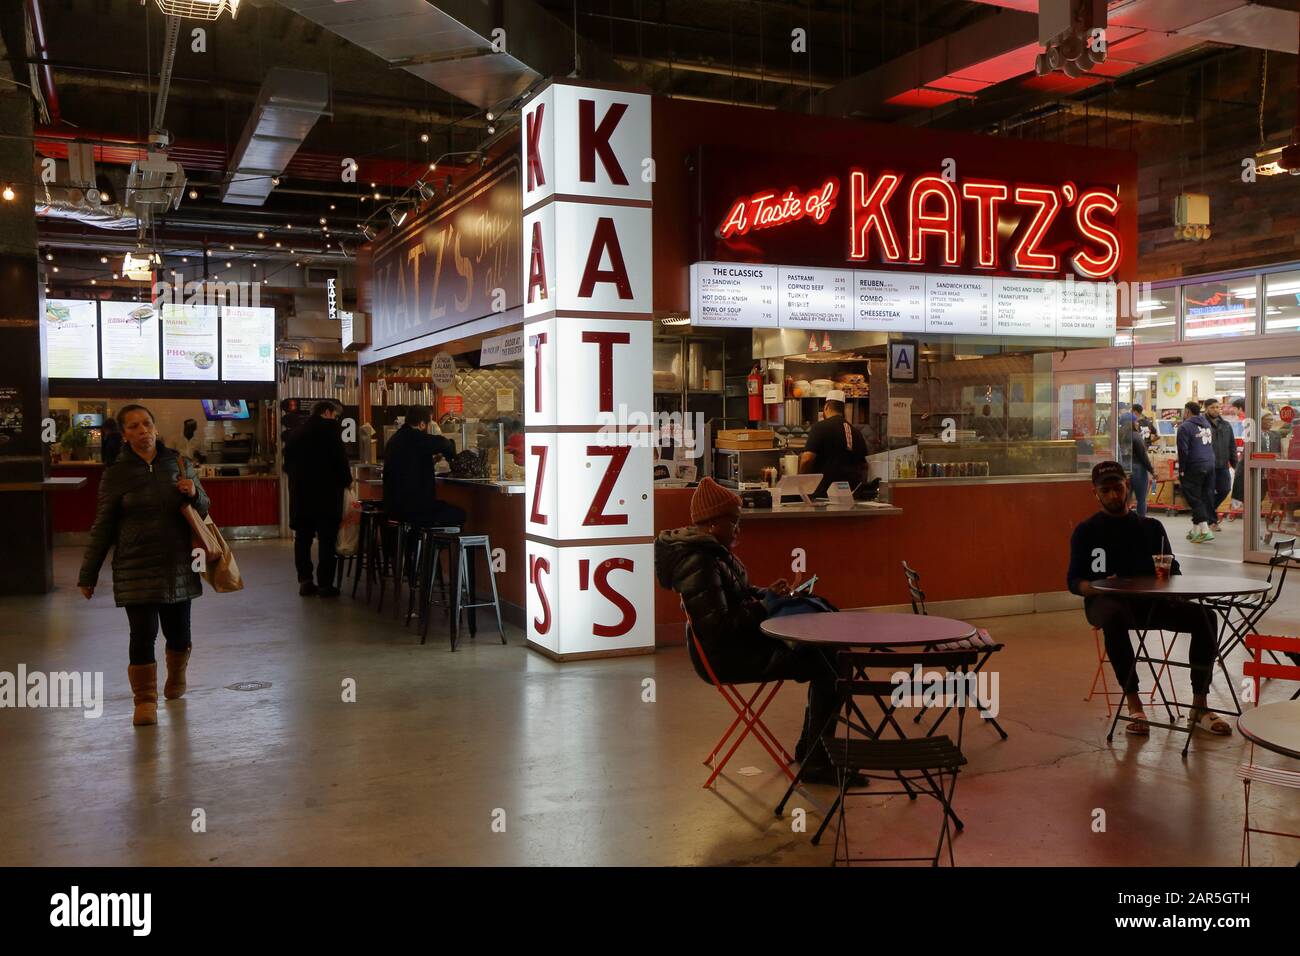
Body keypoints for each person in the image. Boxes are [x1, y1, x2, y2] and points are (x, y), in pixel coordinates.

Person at [654, 477, 844, 781]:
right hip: (727, 657)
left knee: (827, 656)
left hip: (737, 646)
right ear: (714, 523)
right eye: (734, 522)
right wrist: (766, 605)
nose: (738, 529)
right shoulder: (699, 563)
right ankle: (816, 759)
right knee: (829, 663)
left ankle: (813, 752)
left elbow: (734, 596)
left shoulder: (711, 553)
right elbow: (719, 627)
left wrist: (764, 593)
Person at [1068, 461, 1229, 736]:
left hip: (1151, 603)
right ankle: (1134, 703)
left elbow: (1174, 570)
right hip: (1105, 603)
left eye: (1117, 488)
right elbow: (1074, 581)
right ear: (1095, 493)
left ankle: (1199, 705)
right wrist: (1096, 588)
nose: (1113, 495)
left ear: (1127, 486)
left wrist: (1168, 581)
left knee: (1206, 616)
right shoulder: (1087, 531)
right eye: (1105, 491)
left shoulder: (1151, 527)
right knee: (1114, 617)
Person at [77, 404, 209, 728]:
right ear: (124, 435)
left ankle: (176, 676)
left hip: (178, 562)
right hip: (134, 565)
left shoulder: (177, 463)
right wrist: (88, 573)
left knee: (179, 633)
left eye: (146, 424)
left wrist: (193, 493)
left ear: (155, 428)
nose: (142, 431)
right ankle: (145, 701)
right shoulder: (116, 474)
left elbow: (204, 508)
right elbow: (103, 526)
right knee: (143, 633)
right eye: (134, 426)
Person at [283, 400, 353, 597]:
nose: (336, 419)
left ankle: (305, 580)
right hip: (327, 496)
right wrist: (347, 481)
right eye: (336, 415)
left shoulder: (296, 433)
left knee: (303, 538)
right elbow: (341, 462)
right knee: (327, 540)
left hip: (301, 496)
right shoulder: (331, 432)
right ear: (328, 412)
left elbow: (286, 465)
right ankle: (325, 584)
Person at [382, 407, 464, 527]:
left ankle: (427, 544)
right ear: (421, 424)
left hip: (393, 508)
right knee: (460, 515)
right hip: (416, 509)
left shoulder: (394, 440)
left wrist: (433, 460)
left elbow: (410, 463)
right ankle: (434, 544)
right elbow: (444, 444)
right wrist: (452, 455)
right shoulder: (417, 438)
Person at [798, 389, 868, 498]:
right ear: (843, 409)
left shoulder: (820, 427)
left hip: (822, 495)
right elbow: (864, 466)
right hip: (849, 496)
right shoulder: (856, 432)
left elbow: (807, 459)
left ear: (826, 407)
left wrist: (801, 481)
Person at [1176, 401, 1217, 543]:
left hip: (1194, 466)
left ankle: (1205, 530)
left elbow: (1183, 450)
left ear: (1187, 411)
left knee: (1193, 498)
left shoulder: (1185, 427)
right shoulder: (1206, 424)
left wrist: (1181, 469)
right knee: (1201, 497)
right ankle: (1195, 531)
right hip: (1210, 464)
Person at [1203, 398, 1237, 532]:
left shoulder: (1226, 425)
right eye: (1212, 407)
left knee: (1225, 489)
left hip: (1223, 464)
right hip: (1207, 465)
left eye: (1218, 407)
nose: (1216, 410)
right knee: (1208, 493)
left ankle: (1205, 512)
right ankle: (1212, 521)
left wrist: (1236, 465)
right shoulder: (1202, 424)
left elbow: (1232, 446)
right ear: (1206, 408)